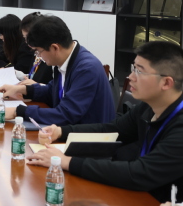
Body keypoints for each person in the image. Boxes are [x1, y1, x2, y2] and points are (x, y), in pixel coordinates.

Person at [27, 42, 183, 204]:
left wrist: (67, 162)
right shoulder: (148, 107)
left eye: (140, 71)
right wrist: (61, 131)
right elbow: (112, 130)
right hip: (138, 194)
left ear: (166, 83)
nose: (131, 77)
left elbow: (141, 173)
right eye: (133, 68)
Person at [0, 15, 115, 125]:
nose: (38, 56)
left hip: (88, 137)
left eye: (38, 51)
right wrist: (21, 89)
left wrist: (19, 111)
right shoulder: (66, 59)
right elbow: (52, 91)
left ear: (55, 48)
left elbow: (66, 114)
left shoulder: (86, 69)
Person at [18, 11, 53, 85]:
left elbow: (54, 87)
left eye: (28, 38)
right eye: (25, 38)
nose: (27, 42)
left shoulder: (50, 55)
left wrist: (35, 85)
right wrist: (22, 76)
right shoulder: (36, 51)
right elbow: (34, 76)